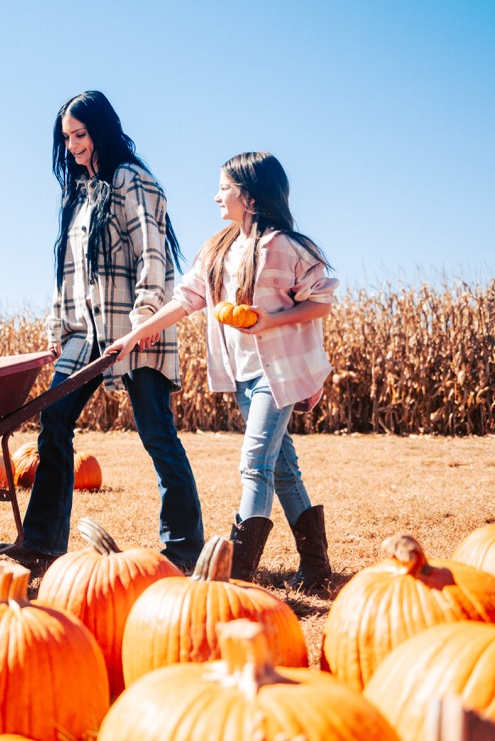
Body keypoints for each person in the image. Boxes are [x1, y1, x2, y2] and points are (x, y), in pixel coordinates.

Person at [108, 151, 338, 591]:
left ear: (249, 197)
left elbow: (321, 301)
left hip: (279, 376)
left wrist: (271, 320)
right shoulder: (219, 249)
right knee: (283, 469)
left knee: (254, 464)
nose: (216, 196)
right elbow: (184, 300)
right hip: (243, 376)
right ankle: (316, 567)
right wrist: (135, 335)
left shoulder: (286, 247)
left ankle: (238, 574)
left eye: (224, 188)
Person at [0, 91, 204, 573]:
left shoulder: (132, 181)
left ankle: (184, 546)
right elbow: (67, 272)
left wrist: (147, 317)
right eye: (66, 138)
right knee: (53, 420)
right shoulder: (80, 192)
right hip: (85, 332)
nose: (73, 146)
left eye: (80, 135)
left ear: (102, 131)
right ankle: (43, 541)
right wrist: (58, 328)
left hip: (133, 326)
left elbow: (153, 252)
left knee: (156, 431)